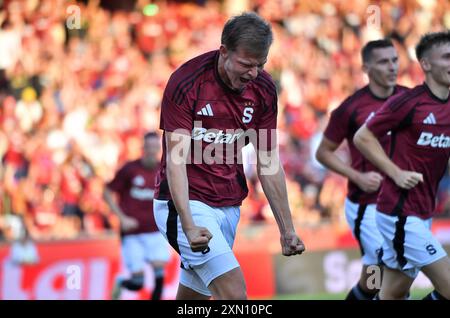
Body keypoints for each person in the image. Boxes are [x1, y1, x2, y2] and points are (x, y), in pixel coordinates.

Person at [153, 12, 305, 300]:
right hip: (184, 203)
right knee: (234, 295)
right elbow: (175, 160)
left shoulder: (263, 88)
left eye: (261, 65)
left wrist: (287, 230)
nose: (253, 73)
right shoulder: (187, 82)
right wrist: (188, 223)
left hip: (229, 204)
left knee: (193, 300)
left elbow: (268, 161)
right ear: (224, 51)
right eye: (246, 64)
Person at [354, 31, 450, 300]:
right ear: (427, 64)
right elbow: (362, 137)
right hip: (399, 213)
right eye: (447, 57)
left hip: (423, 210)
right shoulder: (409, 102)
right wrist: (395, 173)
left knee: (391, 295)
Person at [315, 39, 408, 300]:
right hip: (367, 205)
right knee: (391, 270)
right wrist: (358, 176)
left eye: (394, 60)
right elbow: (322, 152)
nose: (392, 67)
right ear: (366, 68)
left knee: (373, 278)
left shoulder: (409, 99)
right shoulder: (350, 108)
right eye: (383, 61)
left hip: (403, 202)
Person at [104, 132, 170, 300]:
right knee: (138, 283)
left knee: (159, 275)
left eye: (156, 146)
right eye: (149, 146)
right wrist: (122, 218)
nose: (152, 150)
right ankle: (121, 282)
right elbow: (107, 191)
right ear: (143, 148)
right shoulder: (130, 169)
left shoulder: (164, 170)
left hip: (155, 231)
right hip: (132, 233)